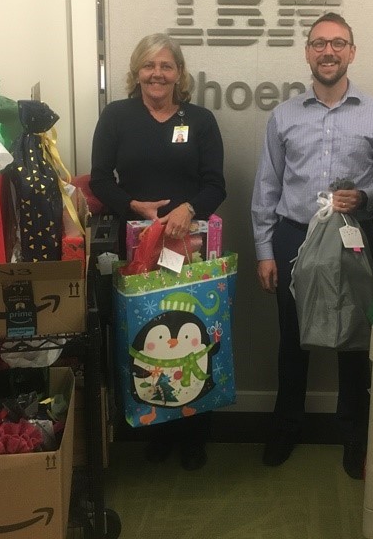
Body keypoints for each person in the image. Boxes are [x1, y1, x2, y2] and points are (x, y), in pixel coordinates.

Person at [251, 12, 373, 479]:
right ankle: (286, 427)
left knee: (355, 341)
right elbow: (266, 187)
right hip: (295, 236)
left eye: (338, 43)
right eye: (319, 44)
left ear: (352, 52)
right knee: (293, 340)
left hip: (353, 237)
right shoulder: (284, 115)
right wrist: (263, 251)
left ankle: (355, 436)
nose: (328, 52)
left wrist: (366, 196)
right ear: (308, 52)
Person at [90, 33, 226, 471]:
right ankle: (156, 429)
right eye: (149, 66)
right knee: (146, 333)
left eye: (167, 66)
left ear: (179, 75)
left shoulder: (200, 120)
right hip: (137, 245)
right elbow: (99, 180)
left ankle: (194, 435)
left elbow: (215, 184)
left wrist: (188, 208)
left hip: (193, 246)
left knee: (192, 332)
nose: (157, 74)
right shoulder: (116, 116)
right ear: (137, 72)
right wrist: (134, 206)